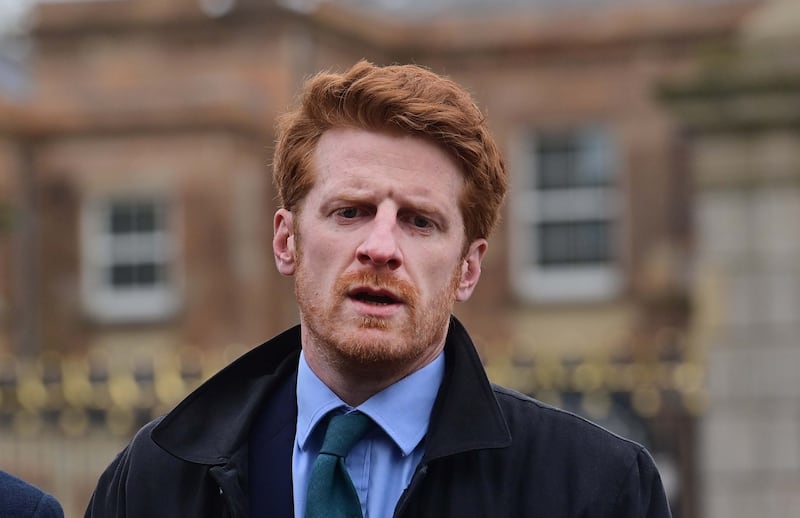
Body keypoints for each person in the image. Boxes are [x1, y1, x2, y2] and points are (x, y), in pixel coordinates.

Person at [85, 60, 671, 517]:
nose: (381, 247)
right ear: (286, 241)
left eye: (420, 221)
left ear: (469, 268)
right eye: (350, 211)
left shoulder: (595, 487)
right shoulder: (154, 480)